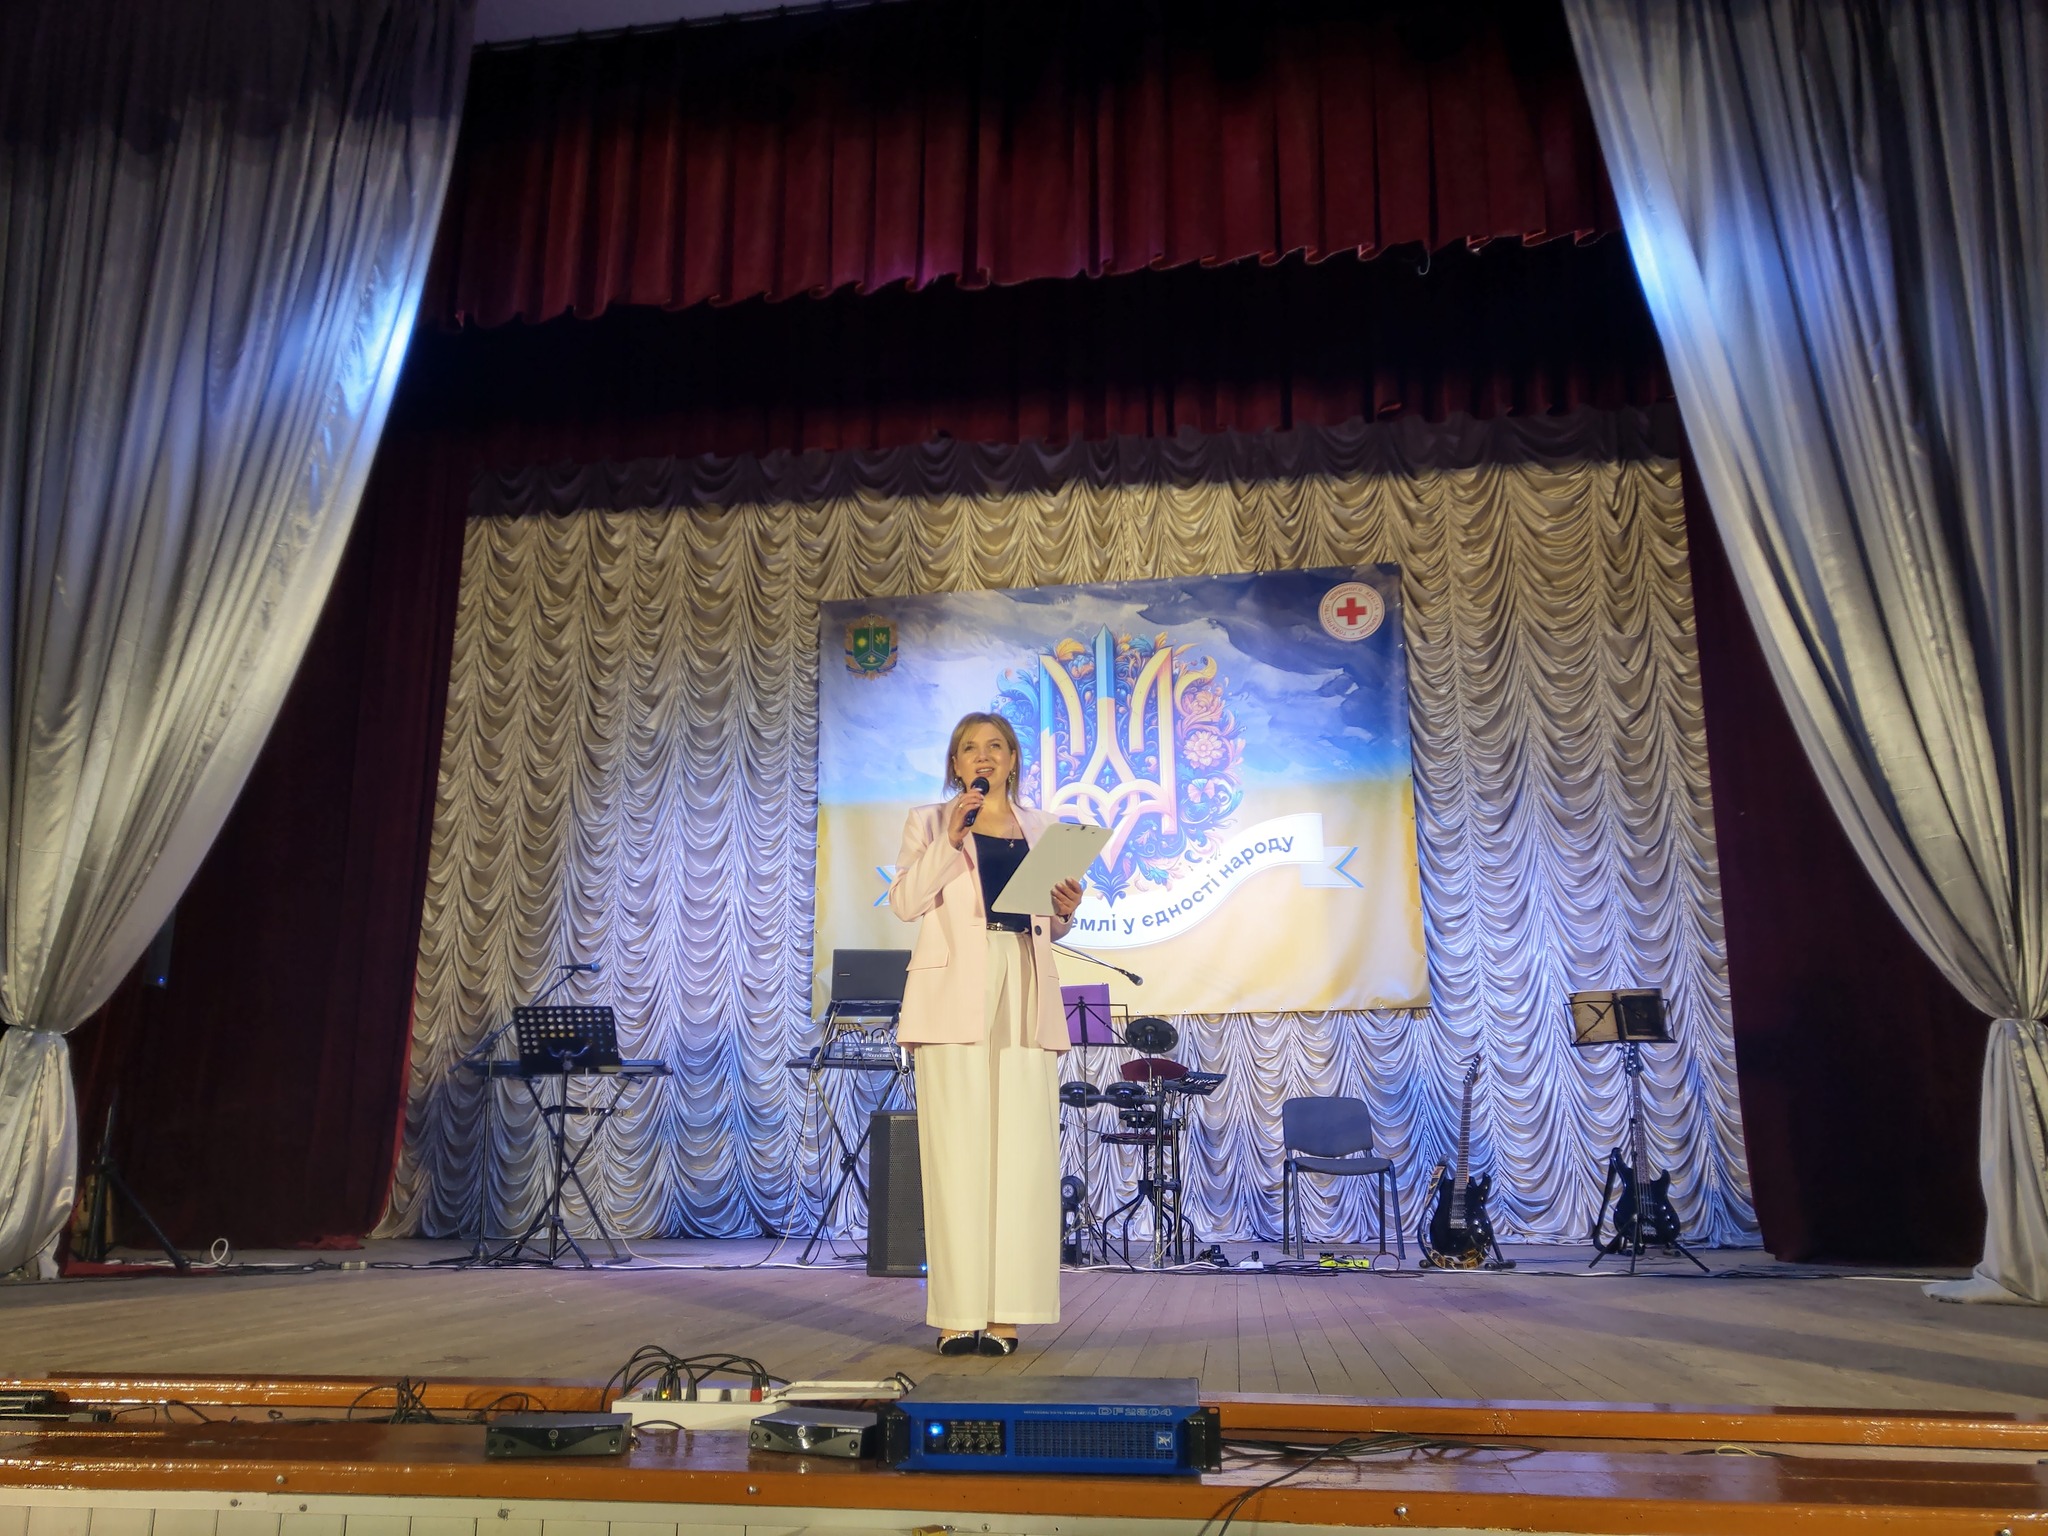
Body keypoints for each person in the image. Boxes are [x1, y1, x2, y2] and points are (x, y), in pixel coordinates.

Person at [888, 711, 1085, 1356]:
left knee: (1022, 1154)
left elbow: (1046, 925)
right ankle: (957, 1313)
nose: (984, 756)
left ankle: (1006, 1314)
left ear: (1013, 759)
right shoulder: (929, 822)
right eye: (970, 748)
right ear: (955, 763)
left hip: (1024, 983)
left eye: (996, 746)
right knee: (957, 1154)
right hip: (952, 991)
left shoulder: (1044, 828)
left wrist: (1064, 912)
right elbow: (905, 903)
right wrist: (950, 841)